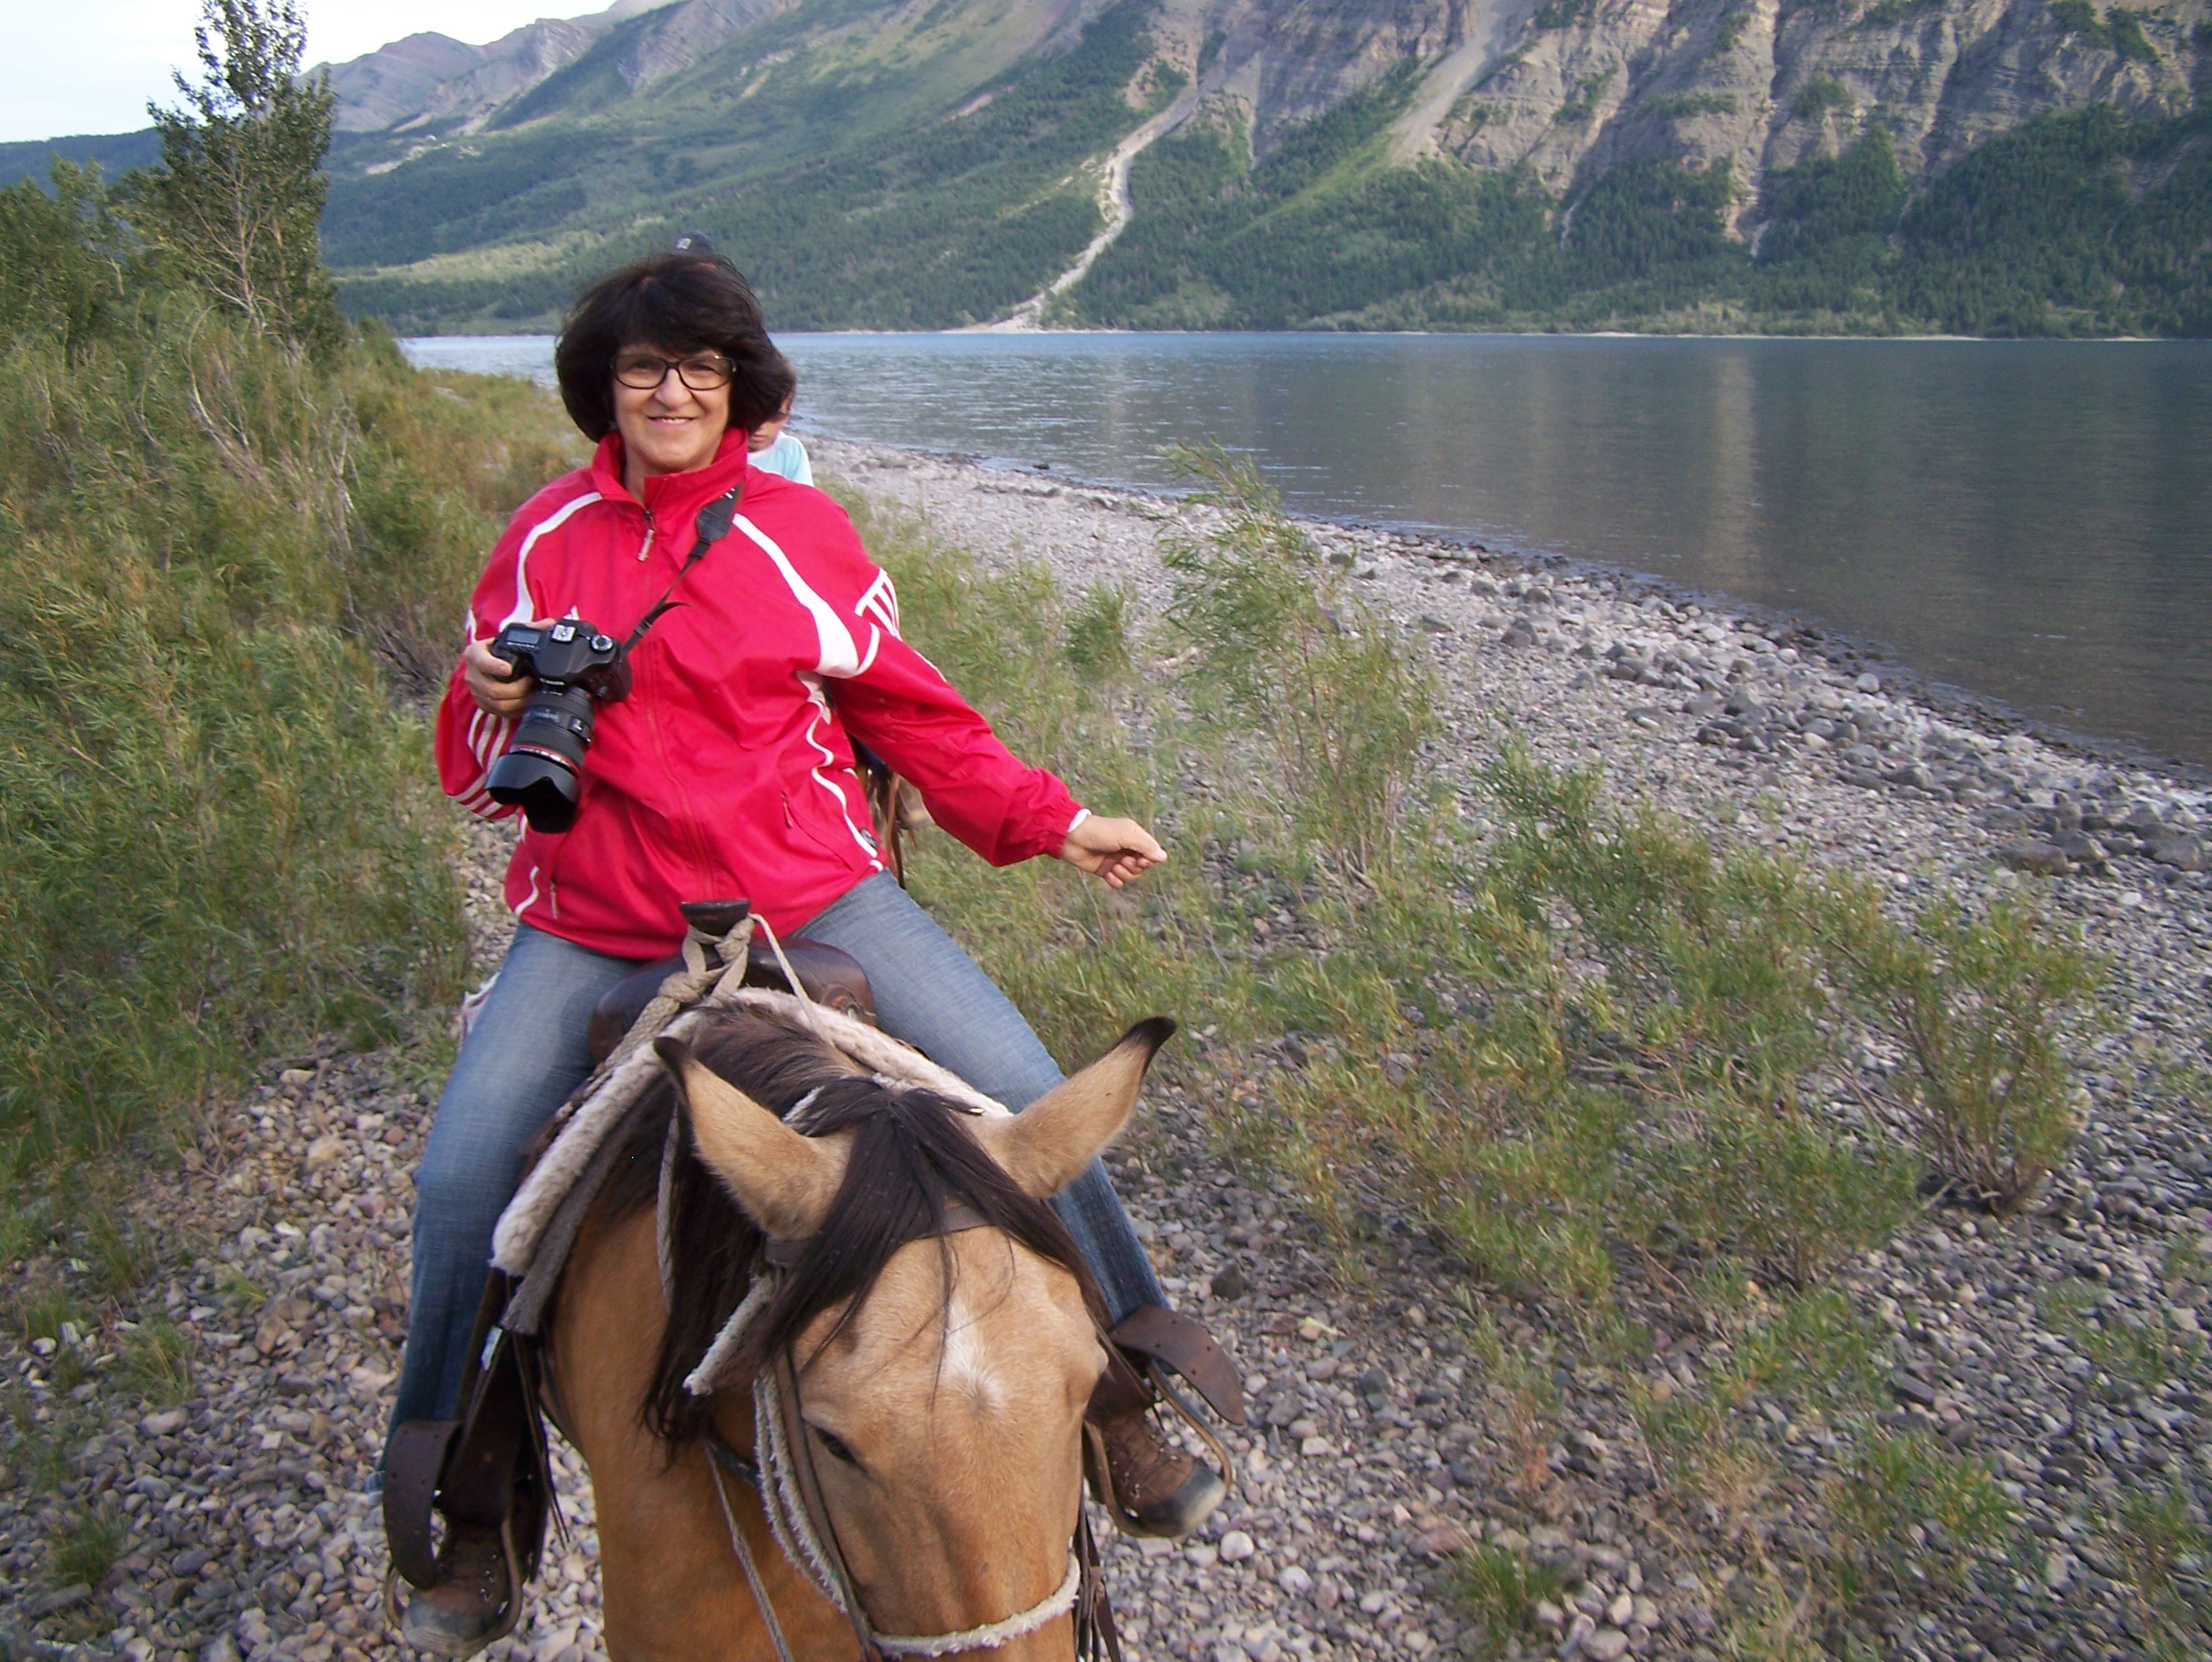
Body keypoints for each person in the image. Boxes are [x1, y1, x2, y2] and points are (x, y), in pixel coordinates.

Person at [393, 244, 1225, 1647]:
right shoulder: (541, 540)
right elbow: (480, 779)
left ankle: (1125, 1399)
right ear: (603, 386)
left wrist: (1060, 819)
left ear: (740, 391)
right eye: (644, 368)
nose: (670, 392)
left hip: (812, 894)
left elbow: (915, 715)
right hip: (595, 916)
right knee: (461, 1178)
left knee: (1030, 1105)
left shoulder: (799, 533)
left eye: (698, 369)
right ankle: (467, 1494)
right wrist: (482, 700)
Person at [747, 387, 813, 484]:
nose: (761, 425)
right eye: (751, 414)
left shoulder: (790, 451)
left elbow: (803, 492)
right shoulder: (722, 445)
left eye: (774, 416)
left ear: (787, 415)